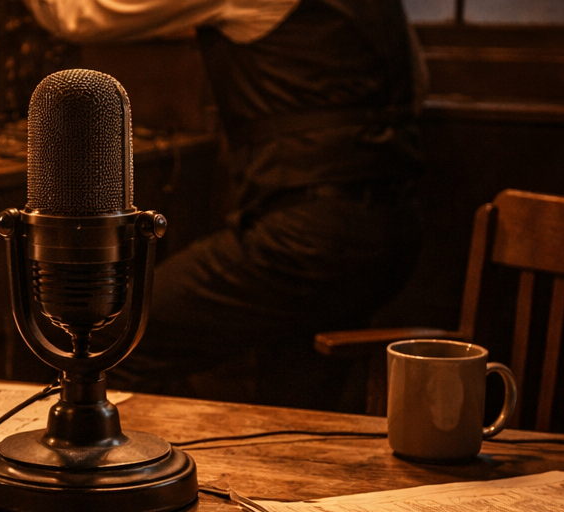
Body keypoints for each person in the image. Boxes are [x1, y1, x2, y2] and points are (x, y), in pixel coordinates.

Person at [22, 0, 425, 412]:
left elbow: (77, 14)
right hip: (390, 226)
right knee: (293, 403)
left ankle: (135, 470)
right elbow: (416, 82)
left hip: (311, 235)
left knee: (106, 342)